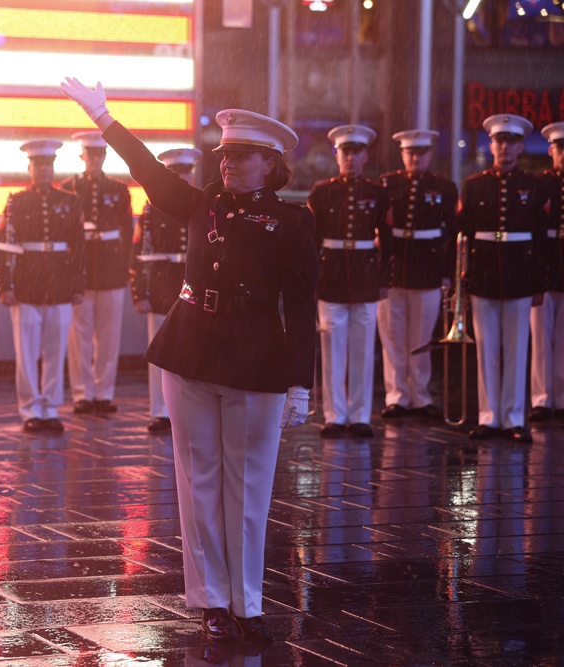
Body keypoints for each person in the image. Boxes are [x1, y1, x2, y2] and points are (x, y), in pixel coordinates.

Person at [61, 78, 318, 644]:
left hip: (255, 357)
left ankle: (247, 604)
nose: (227, 164)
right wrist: (105, 117)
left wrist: (302, 382)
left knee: (248, 487)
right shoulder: (201, 203)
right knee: (196, 480)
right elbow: (148, 170)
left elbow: (301, 305)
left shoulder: (292, 222)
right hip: (191, 346)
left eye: (240, 156)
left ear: (270, 164)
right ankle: (210, 601)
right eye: (223, 155)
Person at [457, 114, 549, 443]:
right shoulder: (474, 184)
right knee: (487, 349)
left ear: (521, 146)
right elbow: (463, 234)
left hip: (520, 275)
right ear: (490, 145)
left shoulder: (533, 185)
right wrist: (461, 282)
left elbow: (539, 240)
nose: (505, 148)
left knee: (516, 348)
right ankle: (488, 416)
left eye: (511, 142)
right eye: (499, 142)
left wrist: (538, 285)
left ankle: (513, 418)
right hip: (483, 274)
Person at [0, 139, 85, 433]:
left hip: (59, 282)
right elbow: (6, 246)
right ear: (29, 168)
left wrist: (77, 285)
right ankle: (30, 408)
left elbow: (78, 248)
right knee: (27, 350)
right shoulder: (16, 202)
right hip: (27, 282)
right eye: (38, 165)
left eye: (48, 165)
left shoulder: (69, 201)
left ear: (53, 167)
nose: (43, 170)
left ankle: (50, 407)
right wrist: (5, 284)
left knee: (56, 350)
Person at [308, 124, 392, 439]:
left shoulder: (377, 193)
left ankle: (359, 416)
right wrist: (312, 278)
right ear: (336, 155)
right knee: (332, 348)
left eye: (357, 153)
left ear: (366, 155)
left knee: (362, 348)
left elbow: (387, 239)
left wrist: (384, 278)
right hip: (330, 276)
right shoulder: (322, 192)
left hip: (366, 275)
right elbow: (312, 240)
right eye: (346, 152)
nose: (351, 159)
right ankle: (334, 415)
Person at [378, 130, 457, 420]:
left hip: (428, 269)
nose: (415, 158)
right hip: (394, 269)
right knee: (392, 338)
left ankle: (420, 396)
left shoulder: (444, 187)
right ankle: (396, 395)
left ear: (429, 155)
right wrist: (380, 272)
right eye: (410, 153)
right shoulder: (388, 184)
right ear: (402, 154)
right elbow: (382, 232)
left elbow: (452, 232)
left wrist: (447, 274)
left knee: (421, 339)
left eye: (421, 153)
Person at [62, 130, 133, 415]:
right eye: (90, 154)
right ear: (82, 156)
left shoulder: (118, 190)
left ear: (104, 157)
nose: (95, 159)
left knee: (108, 335)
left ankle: (104, 392)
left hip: (110, 267)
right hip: (81, 268)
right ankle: (82, 393)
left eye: (99, 154)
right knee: (79, 336)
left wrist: (126, 266)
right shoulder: (69, 188)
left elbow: (127, 233)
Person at [130, 147, 199, 433]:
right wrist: (139, 293)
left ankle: (187, 409)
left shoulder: (198, 206)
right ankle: (160, 410)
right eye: (177, 174)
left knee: (190, 350)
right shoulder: (150, 212)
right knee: (158, 352)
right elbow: (138, 253)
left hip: (190, 285)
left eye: (185, 173)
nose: (182, 179)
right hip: (160, 285)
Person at [529, 121, 564, 422]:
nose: (563, 154)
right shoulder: (539, 185)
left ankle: (562, 399)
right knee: (541, 337)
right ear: (551, 150)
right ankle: (541, 398)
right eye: (560, 148)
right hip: (544, 264)